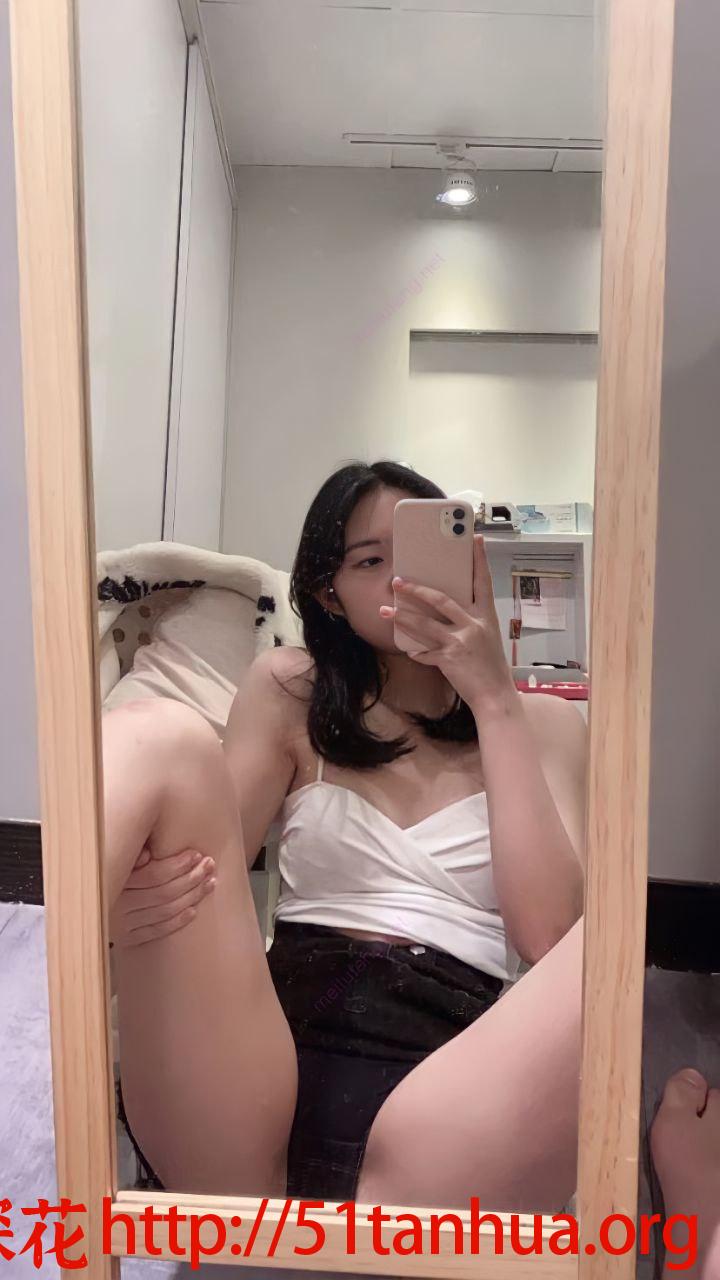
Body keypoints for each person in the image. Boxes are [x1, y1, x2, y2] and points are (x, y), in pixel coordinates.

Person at [105, 460, 586, 1207]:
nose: (404, 580)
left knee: (614, 932)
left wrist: (494, 696)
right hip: (256, 1082)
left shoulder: (547, 724)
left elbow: (552, 939)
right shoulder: (288, 691)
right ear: (330, 593)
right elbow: (205, 872)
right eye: (369, 561)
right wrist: (125, 918)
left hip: (449, 1109)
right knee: (154, 734)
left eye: (424, 551)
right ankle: (56, 957)